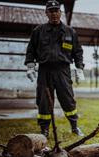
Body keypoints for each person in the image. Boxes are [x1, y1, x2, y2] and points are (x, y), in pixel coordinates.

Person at [24, 0, 85, 137]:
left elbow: (78, 52)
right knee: (44, 101)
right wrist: (29, 66)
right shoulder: (38, 31)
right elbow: (31, 50)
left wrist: (79, 68)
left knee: (68, 99)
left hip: (63, 71)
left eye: (56, 11)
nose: (54, 14)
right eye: (51, 11)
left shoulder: (70, 32)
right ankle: (44, 130)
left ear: (60, 12)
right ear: (46, 13)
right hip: (44, 71)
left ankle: (74, 127)